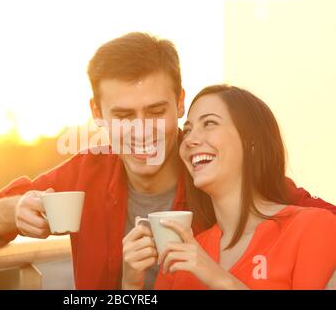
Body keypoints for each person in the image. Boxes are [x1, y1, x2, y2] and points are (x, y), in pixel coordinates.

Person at [0, 33, 336, 290]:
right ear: (98, 112)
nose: (142, 130)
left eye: (156, 111)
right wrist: (15, 210)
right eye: (125, 116)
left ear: (180, 102)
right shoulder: (85, 172)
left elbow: (310, 219)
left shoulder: (213, 164)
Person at [123, 85, 336, 290]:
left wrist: (219, 279)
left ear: (251, 141)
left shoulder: (313, 227)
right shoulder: (181, 254)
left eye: (209, 124)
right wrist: (131, 285)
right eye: (187, 130)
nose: (189, 140)